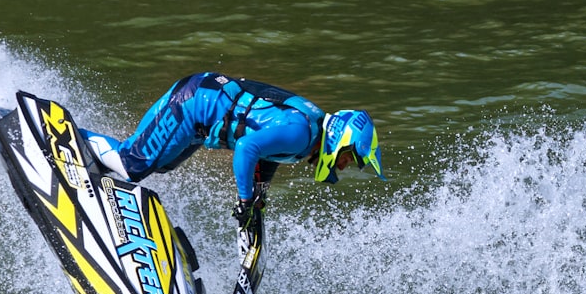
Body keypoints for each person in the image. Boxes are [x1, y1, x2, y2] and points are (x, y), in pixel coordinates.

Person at [81, 72, 385, 228]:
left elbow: (266, 154)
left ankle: (90, 178)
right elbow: (246, 147)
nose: (344, 166)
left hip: (199, 116)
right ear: (341, 142)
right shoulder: (301, 133)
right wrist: (244, 199)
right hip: (193, 103)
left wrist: (259, 195)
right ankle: (69, 136)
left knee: (159, 166)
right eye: (349, 159)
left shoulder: (308, 136)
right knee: (133, 164)